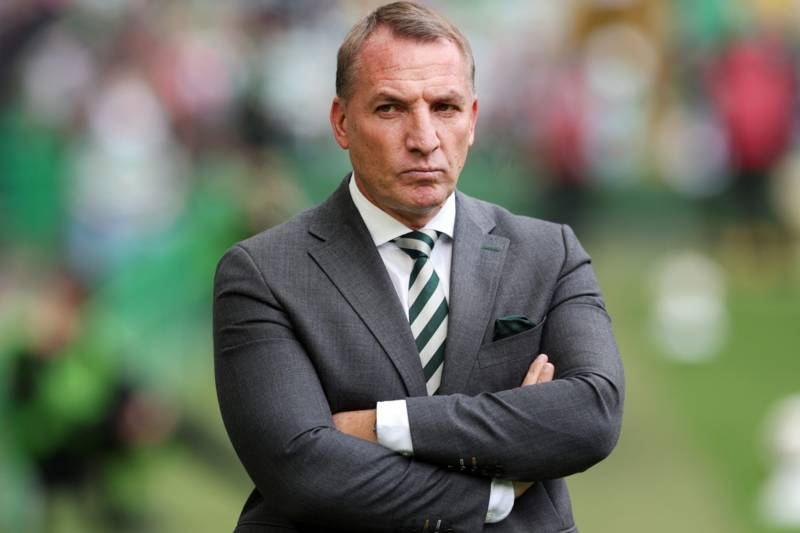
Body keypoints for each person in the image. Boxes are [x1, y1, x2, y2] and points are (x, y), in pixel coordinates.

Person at [213, 2, 624, 532]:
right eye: (391, 108)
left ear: (472, 120)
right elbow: (300, 468)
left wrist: (387, 423)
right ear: (342, 122)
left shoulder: (549, 253)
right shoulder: (264, 273)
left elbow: (592, 415)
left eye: (445, 107)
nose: (424, 138)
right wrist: (494, 491)